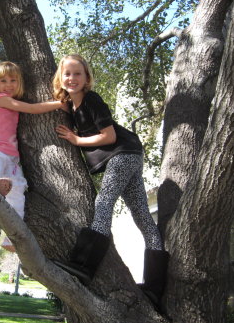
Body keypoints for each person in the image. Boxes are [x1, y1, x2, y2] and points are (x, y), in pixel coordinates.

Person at [53, 54, 169, 308]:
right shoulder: (71, 106)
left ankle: (83, 266)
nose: (71, 78)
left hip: (123, 154)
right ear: (60, 78)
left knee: (104, 203)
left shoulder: (92, 99)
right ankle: (155, 288)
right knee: (143, 219)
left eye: (77, 74)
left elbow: (108, 135)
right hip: (130, 155)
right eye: (67, 74)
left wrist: (77, 140)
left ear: (87, 78)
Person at [0, 61, 64, 252]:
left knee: (17, 191)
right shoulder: (0, 99)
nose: (8, 84)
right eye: (3, 80)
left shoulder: (9, 102)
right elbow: (32, 109)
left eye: (13, 80)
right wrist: (60, 103)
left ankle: (11, 238)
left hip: (12, 156)